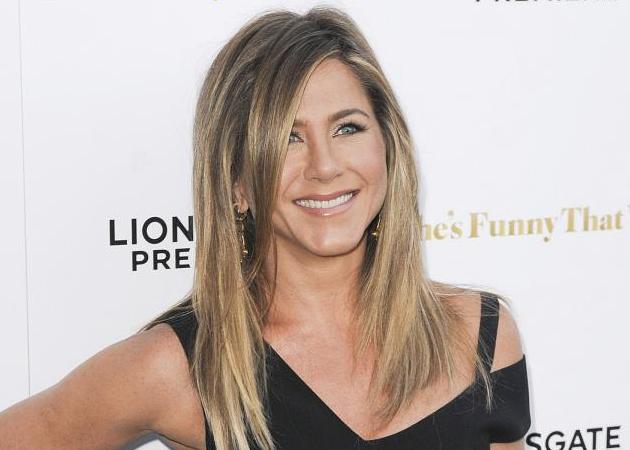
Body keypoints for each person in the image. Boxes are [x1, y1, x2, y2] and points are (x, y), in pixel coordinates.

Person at [0, 6, 530, 450]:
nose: (325, 166)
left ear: (388, 150)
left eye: (347, 128)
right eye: (288, 138)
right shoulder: (182, 367)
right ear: (237, 183)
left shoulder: (480, 334)